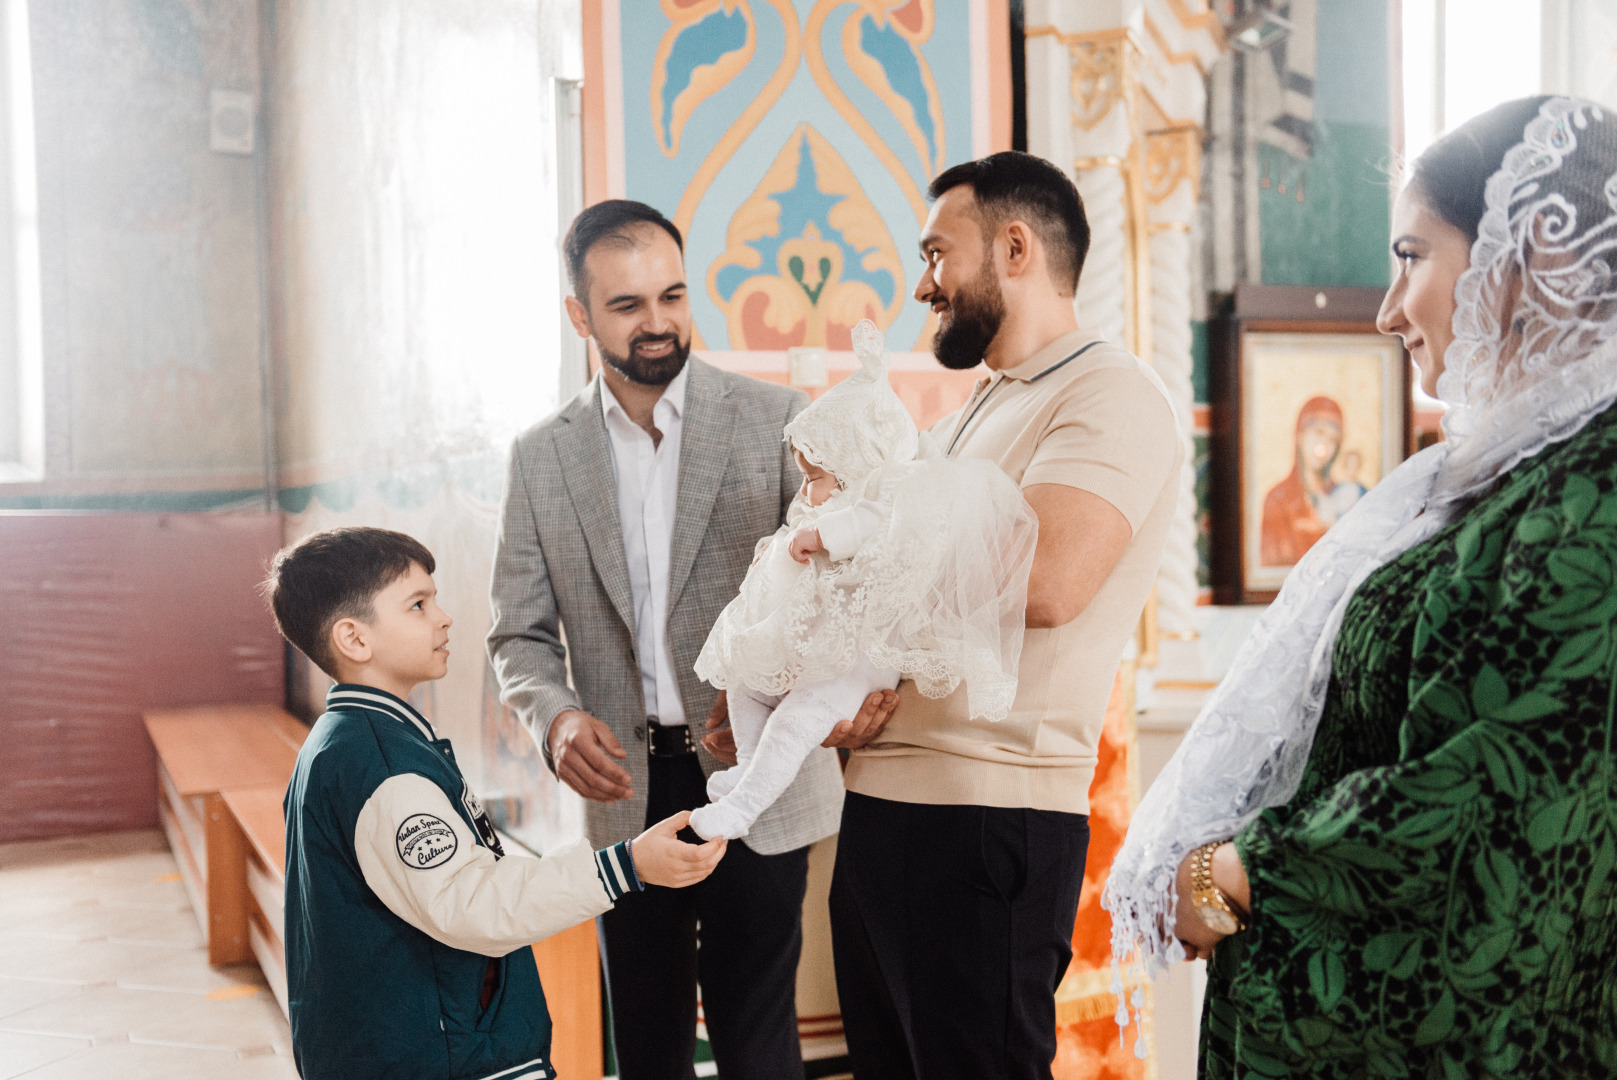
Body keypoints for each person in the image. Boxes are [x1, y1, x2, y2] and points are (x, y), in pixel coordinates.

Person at [1105, 96, 1617, 1078]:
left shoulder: (1594, 484)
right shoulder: (1490, 471)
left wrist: (1231, 872)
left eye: (1411, 256)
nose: (1385, 311)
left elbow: (1509, 787)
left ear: (1531, 257)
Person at [486, 200, 896, 1079]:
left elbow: (839, 584)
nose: (658, 322)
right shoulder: (539, 458)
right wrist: (555, 722)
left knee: (757, 1035)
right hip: (621, 788)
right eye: (627, 305)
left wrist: (813, 691)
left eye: (671, 295)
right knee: (645, 1036)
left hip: (757, 772)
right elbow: (516, 635)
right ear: (579, 316)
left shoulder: (776, 419)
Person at [829, 152, 1183, 1079]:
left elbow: (1047, 580)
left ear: (1014, 246)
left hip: (985, 818)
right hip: (884, 811)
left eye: (938, 255)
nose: (922, 284)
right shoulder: (965, 415)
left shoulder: (1109, 392)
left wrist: (855, 537)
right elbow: (921, 601)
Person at [269, 527, 724, 1080]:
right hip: (444, 1058)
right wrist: (625, 865)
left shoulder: (343, 742)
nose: (443, 617)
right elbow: (471, 904)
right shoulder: (381, 764)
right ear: (354, 639)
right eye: (417, 604)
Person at [688, 318, 1038, 844]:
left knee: (797, 719)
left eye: (816, 479)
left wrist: (821, 535)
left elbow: (871, 526)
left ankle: (745, 805)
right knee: (745, 685)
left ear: (856, 470)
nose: (809, 493)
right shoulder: (827, 505)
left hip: (854, 669)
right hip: (815, 653)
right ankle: (749, 772)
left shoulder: (891, 500)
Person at [1260, 395, 1346, 564]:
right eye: (1318, 432)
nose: (1324, 445)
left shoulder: (1343, 497)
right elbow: (1273, 562)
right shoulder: (1278, 500)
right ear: (1300, 434)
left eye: (1332, 439)